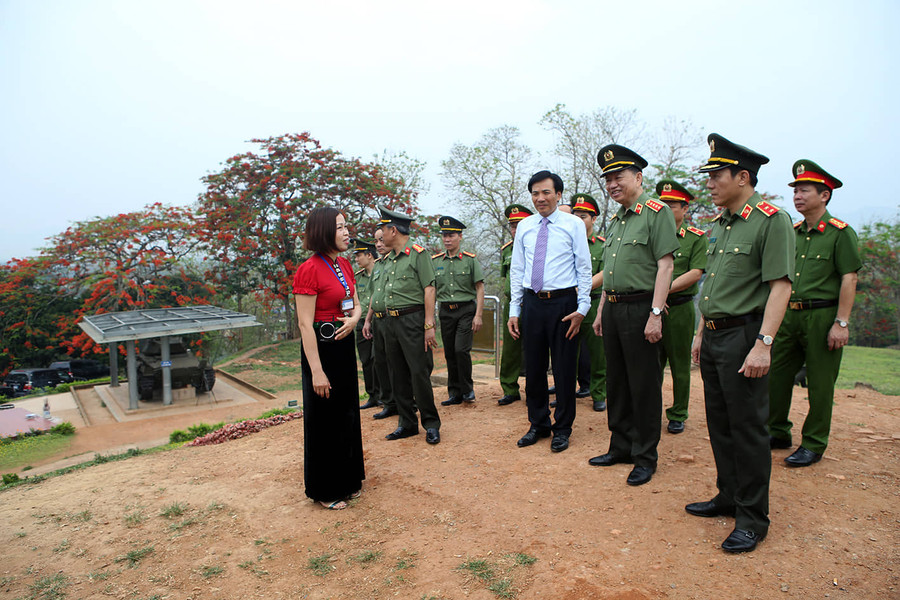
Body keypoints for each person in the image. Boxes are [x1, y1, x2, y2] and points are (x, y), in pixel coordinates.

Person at [685, 133, 794, 553]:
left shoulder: (770, 220)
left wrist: (763, 343)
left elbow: (780, 286)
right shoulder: (722, 225)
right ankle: (728, 495)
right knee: (720, 423)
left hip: (746, 336)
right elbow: (713, 287)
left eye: (717, 175)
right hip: (714, 336)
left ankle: (752, 517)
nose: (710, 183)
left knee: (748, 428)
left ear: (743, 177)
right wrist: (699, 333)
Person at [589, 145, 678, 487]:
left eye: (618, 177)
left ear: (638, 177)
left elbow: (665, 265)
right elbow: (610, 270)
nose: (612, 184)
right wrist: (600, 311)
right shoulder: (617, 220)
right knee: (618, 382)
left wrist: (656, 313)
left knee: (643, 384)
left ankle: (645, 456)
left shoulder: (657, 213)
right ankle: (620, 445)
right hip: (612, 308)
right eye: (608, 179)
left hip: (642, 308)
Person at [768, 160, 861, 467]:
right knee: (776, 376)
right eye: (795, 190)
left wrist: (841, 323)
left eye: (804, 190)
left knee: (820, 383)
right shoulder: (792, 233)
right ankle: (778, 431)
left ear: (825, 195)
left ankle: (814, 443)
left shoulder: (840, 233)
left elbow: (849, 277)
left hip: (822, 317)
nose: (797, 195)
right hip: (789, 315)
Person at [508, 170, 592, 453]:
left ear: (558, 194)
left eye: (546, 192)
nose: (540, 198)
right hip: (532, 302)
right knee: (533, 368)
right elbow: (517, 269)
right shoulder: (526, 226)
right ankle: (538, 423)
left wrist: (582, 308)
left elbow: (584, 268)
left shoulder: (573, 225)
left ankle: (563, 428)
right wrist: (514, 309)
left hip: (564, 304)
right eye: (535, 193)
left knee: (565, 368)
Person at [293, 206, 365, 510]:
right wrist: (317, 372)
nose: (346, 232)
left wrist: (353, 320)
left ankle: (350, 479)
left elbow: (356, 304)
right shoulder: (309, 269)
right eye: (339, 227)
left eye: (346, 226)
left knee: (347, 413)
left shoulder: (345, 265)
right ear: (324, 232)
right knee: (325, 419)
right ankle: (326, 488)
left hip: (343, 345)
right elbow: (304, 323)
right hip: (320, 350)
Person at [377, 206, 441, 444]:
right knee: (397, 374)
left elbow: (429, 288)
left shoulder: (417, 254)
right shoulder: (389, 258)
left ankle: (431, 423)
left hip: (413, 320)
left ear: (393, 230)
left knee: (418, 373)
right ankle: (407, 423)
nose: (381, 234)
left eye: (383, 229)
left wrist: (428, 324)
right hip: (391, 322)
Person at [656, 180, 708, 434]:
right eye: (662, 204)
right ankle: (650, 409)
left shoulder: (695, 238)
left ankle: (678, 412)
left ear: (684, 209)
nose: (665, 209)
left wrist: (664, 289)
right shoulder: (650, 235)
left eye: (671, 205)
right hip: (651, 308)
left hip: (679, 307)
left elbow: (696, 272)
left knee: (678, 363)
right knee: (651, 362)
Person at [433, 216, 485, 406]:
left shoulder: (470, 260)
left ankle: (467, 389)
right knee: (449, 352)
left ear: (460, 237)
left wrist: (478, 315)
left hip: (466, 310)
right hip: (446, 311)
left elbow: (479, 287)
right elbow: (431, 290)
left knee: (461, 350)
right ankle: (454, 392)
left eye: (451, 235)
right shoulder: (436, 261)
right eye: (444, 236)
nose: (447, 239)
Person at [570, 193, 607, 412]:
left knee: (597, 352)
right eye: (576, 216)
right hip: (568, 304)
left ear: (593, 219)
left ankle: (598, 394)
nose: (579, 220)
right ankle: (566, 393)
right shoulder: (567, 242)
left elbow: (605, 272)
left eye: (584, 216)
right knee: (567, 352)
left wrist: (580, 288)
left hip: (594, 304)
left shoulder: (602, 245)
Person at [498, 204, 533, 406]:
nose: (515, 229)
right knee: (510, 347)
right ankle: (509, 389)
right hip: (512, 303)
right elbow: (506, 279)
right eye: (512, 225)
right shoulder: (507, 250)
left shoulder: (537, 246)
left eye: (519, 224)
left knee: (533, 347)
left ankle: (534, 388)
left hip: (532, 302)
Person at [363, 227, 397, 420]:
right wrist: (368, 320)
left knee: (397, 363)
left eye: (382, 240)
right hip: (378, 320)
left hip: (394, 318)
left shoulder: (397, 261)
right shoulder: (378, 265)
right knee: (380, 361)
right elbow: (374, 296)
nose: (378, 245)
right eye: (376, 241)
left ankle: (406, 401)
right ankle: (388, 402)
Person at [352, 238, 380, 410]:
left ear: (369, 255)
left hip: (379, 320)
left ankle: (386, 394)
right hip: (361, 321)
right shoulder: (357, 278)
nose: (356, 259)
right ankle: (373, 395)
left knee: (380, 359)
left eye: (359, 255)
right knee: (366, 360)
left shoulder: (382, 272)